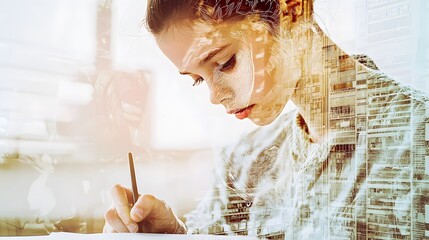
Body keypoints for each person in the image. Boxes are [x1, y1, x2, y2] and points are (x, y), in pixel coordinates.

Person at [103, 0, 429, 238]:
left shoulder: (419, 141)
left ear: (292, 11)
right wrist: (170, 235)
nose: (214, 96)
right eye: (198, 79)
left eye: (226, 62)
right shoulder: (242, 163)